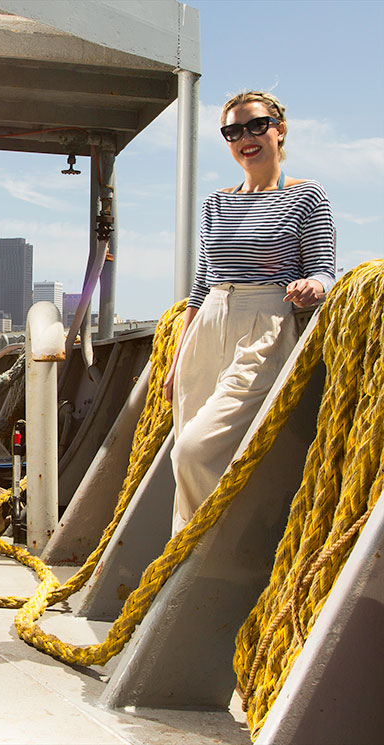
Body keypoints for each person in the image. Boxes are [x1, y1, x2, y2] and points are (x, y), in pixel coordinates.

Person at [163, 91, 335, 533]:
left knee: (195, 452)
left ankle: (217, 554)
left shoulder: (307, 196)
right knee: (184, 451)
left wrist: (311, 286)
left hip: (265, 326)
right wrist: (176, 360)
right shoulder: (215, 203)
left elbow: (323, 271)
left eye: (257, 125)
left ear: (279, 129)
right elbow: (200, 287)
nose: (246, 138)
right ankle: (184, 561)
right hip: (206, 327)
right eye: (233, 131)